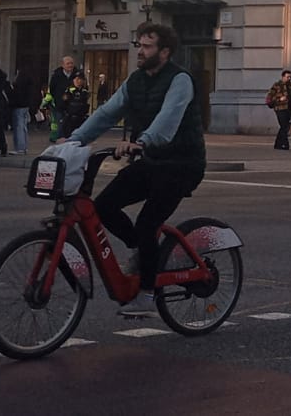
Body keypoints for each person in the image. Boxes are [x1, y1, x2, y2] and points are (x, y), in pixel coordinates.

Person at [63, 22, 206, 318]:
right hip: (151, 160)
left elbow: (167, 122)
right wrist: (74, 140)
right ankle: (143, 250)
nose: (140, 51)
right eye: (139, 45)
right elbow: (106, 113)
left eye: (147, 46)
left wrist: (140, 142)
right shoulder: (136, 81)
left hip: (182, 163)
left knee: (147, 223)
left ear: (164, 52)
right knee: (102, 206)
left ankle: (147, 293)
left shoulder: (180, 80)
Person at [11, 66, 40, 156]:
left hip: (19, 106)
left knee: (19, 126)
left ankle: (20, 147)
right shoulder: (30, 83)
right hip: (26, 106)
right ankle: (23, 147)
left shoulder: (20, 84)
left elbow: (17, 95)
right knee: (23, 127)